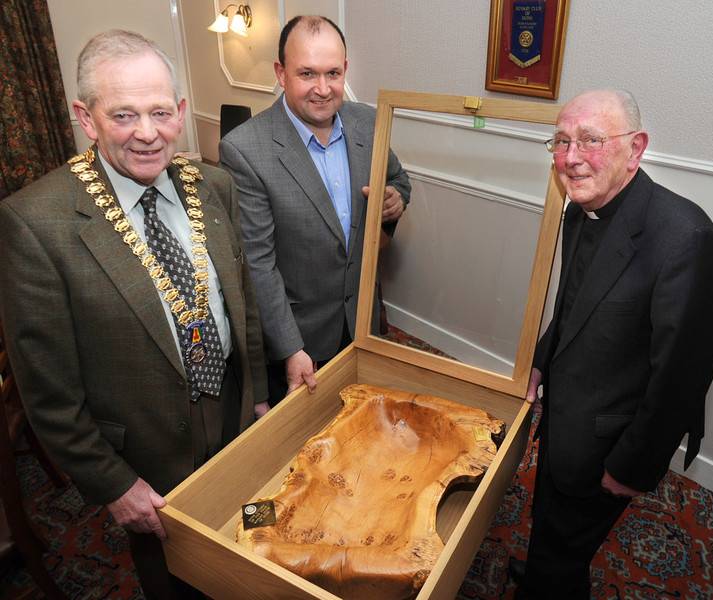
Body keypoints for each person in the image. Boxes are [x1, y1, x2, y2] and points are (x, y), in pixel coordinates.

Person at [0, 30, 269, 599]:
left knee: (254, 539)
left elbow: (241, 307)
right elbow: (50, 393)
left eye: (159, 113)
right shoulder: (34, 224)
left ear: (178, 111)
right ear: (86, 118)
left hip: (234, 414)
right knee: (178, 577)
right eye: (123, 115)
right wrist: (114, 484)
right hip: (146, 450)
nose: (148, 134)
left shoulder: (214, 185)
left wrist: (260, 398)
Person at [508, 89, 713, 599]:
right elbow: (574, 306)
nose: (571, 157)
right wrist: (543, 359)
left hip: (609, 443)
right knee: (552, 524)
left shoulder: (687, 240)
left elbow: (681, 378)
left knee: (567, 543)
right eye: (561, 141)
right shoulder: (580, 209)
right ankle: (547, 568)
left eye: (591, 140)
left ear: (637, 148)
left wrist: (632, 467)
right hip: (565, 419)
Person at [220, 15, 411, 405]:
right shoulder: (245, 150)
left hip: (362, 321)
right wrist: (291, 348)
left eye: (332, 73)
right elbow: (258, 264)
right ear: (281, 73)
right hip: (300, 338)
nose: (323, 89)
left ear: (345, 71)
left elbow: (399, 179)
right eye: (307, 73)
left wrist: (395, 198)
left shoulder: (368, 121)